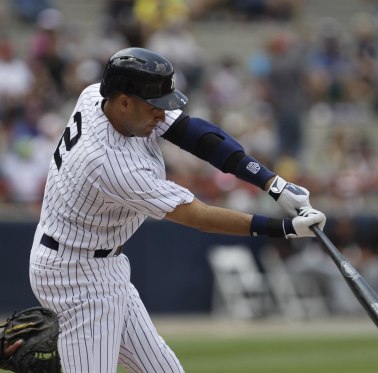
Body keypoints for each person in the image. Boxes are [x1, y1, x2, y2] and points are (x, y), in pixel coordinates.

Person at [28, 47, 326, 373]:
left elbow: (194, 134)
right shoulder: (108, 164)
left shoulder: (99, 98)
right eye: (155, 107)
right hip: (75, 276)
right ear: (124, 100)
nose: (161, 115)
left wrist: (273, 183)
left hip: (99, 261)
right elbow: (196, 215)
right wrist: (282, 228)